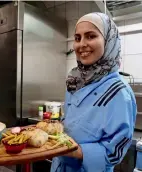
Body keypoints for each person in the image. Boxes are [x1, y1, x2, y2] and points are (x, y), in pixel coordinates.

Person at [50, 12, 137, 172]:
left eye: (90, 36)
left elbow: (115, 152)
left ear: (109, 41)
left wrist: (74, 150)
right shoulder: (75, 81)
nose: (82, 44)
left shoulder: (118, 92)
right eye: (77, 38)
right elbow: (72, 122)